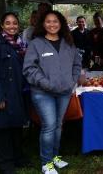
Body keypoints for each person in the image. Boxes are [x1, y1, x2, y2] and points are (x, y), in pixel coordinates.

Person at [23, 10, 82, 174]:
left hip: (64, 92)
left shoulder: (68, 43)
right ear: (43, 24)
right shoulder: (36, 43)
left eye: (55, 21)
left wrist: (72, 80)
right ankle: (46, 163)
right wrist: (45, 83)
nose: (52, 24)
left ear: (61, 23)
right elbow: (29, 69)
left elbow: (77, 63)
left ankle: (55, 156)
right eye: (48, 21)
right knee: (49, 126)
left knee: (58, 125)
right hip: (43, 93)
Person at [0, 12, 29, 174]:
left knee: (16, 126)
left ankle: (18, 158)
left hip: (18, 92)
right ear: (2, 26)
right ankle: (4, 165)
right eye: (8, 23)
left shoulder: (21, 44)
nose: (12, 26)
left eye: (15, 23)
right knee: (3, 129)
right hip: (3, 92)